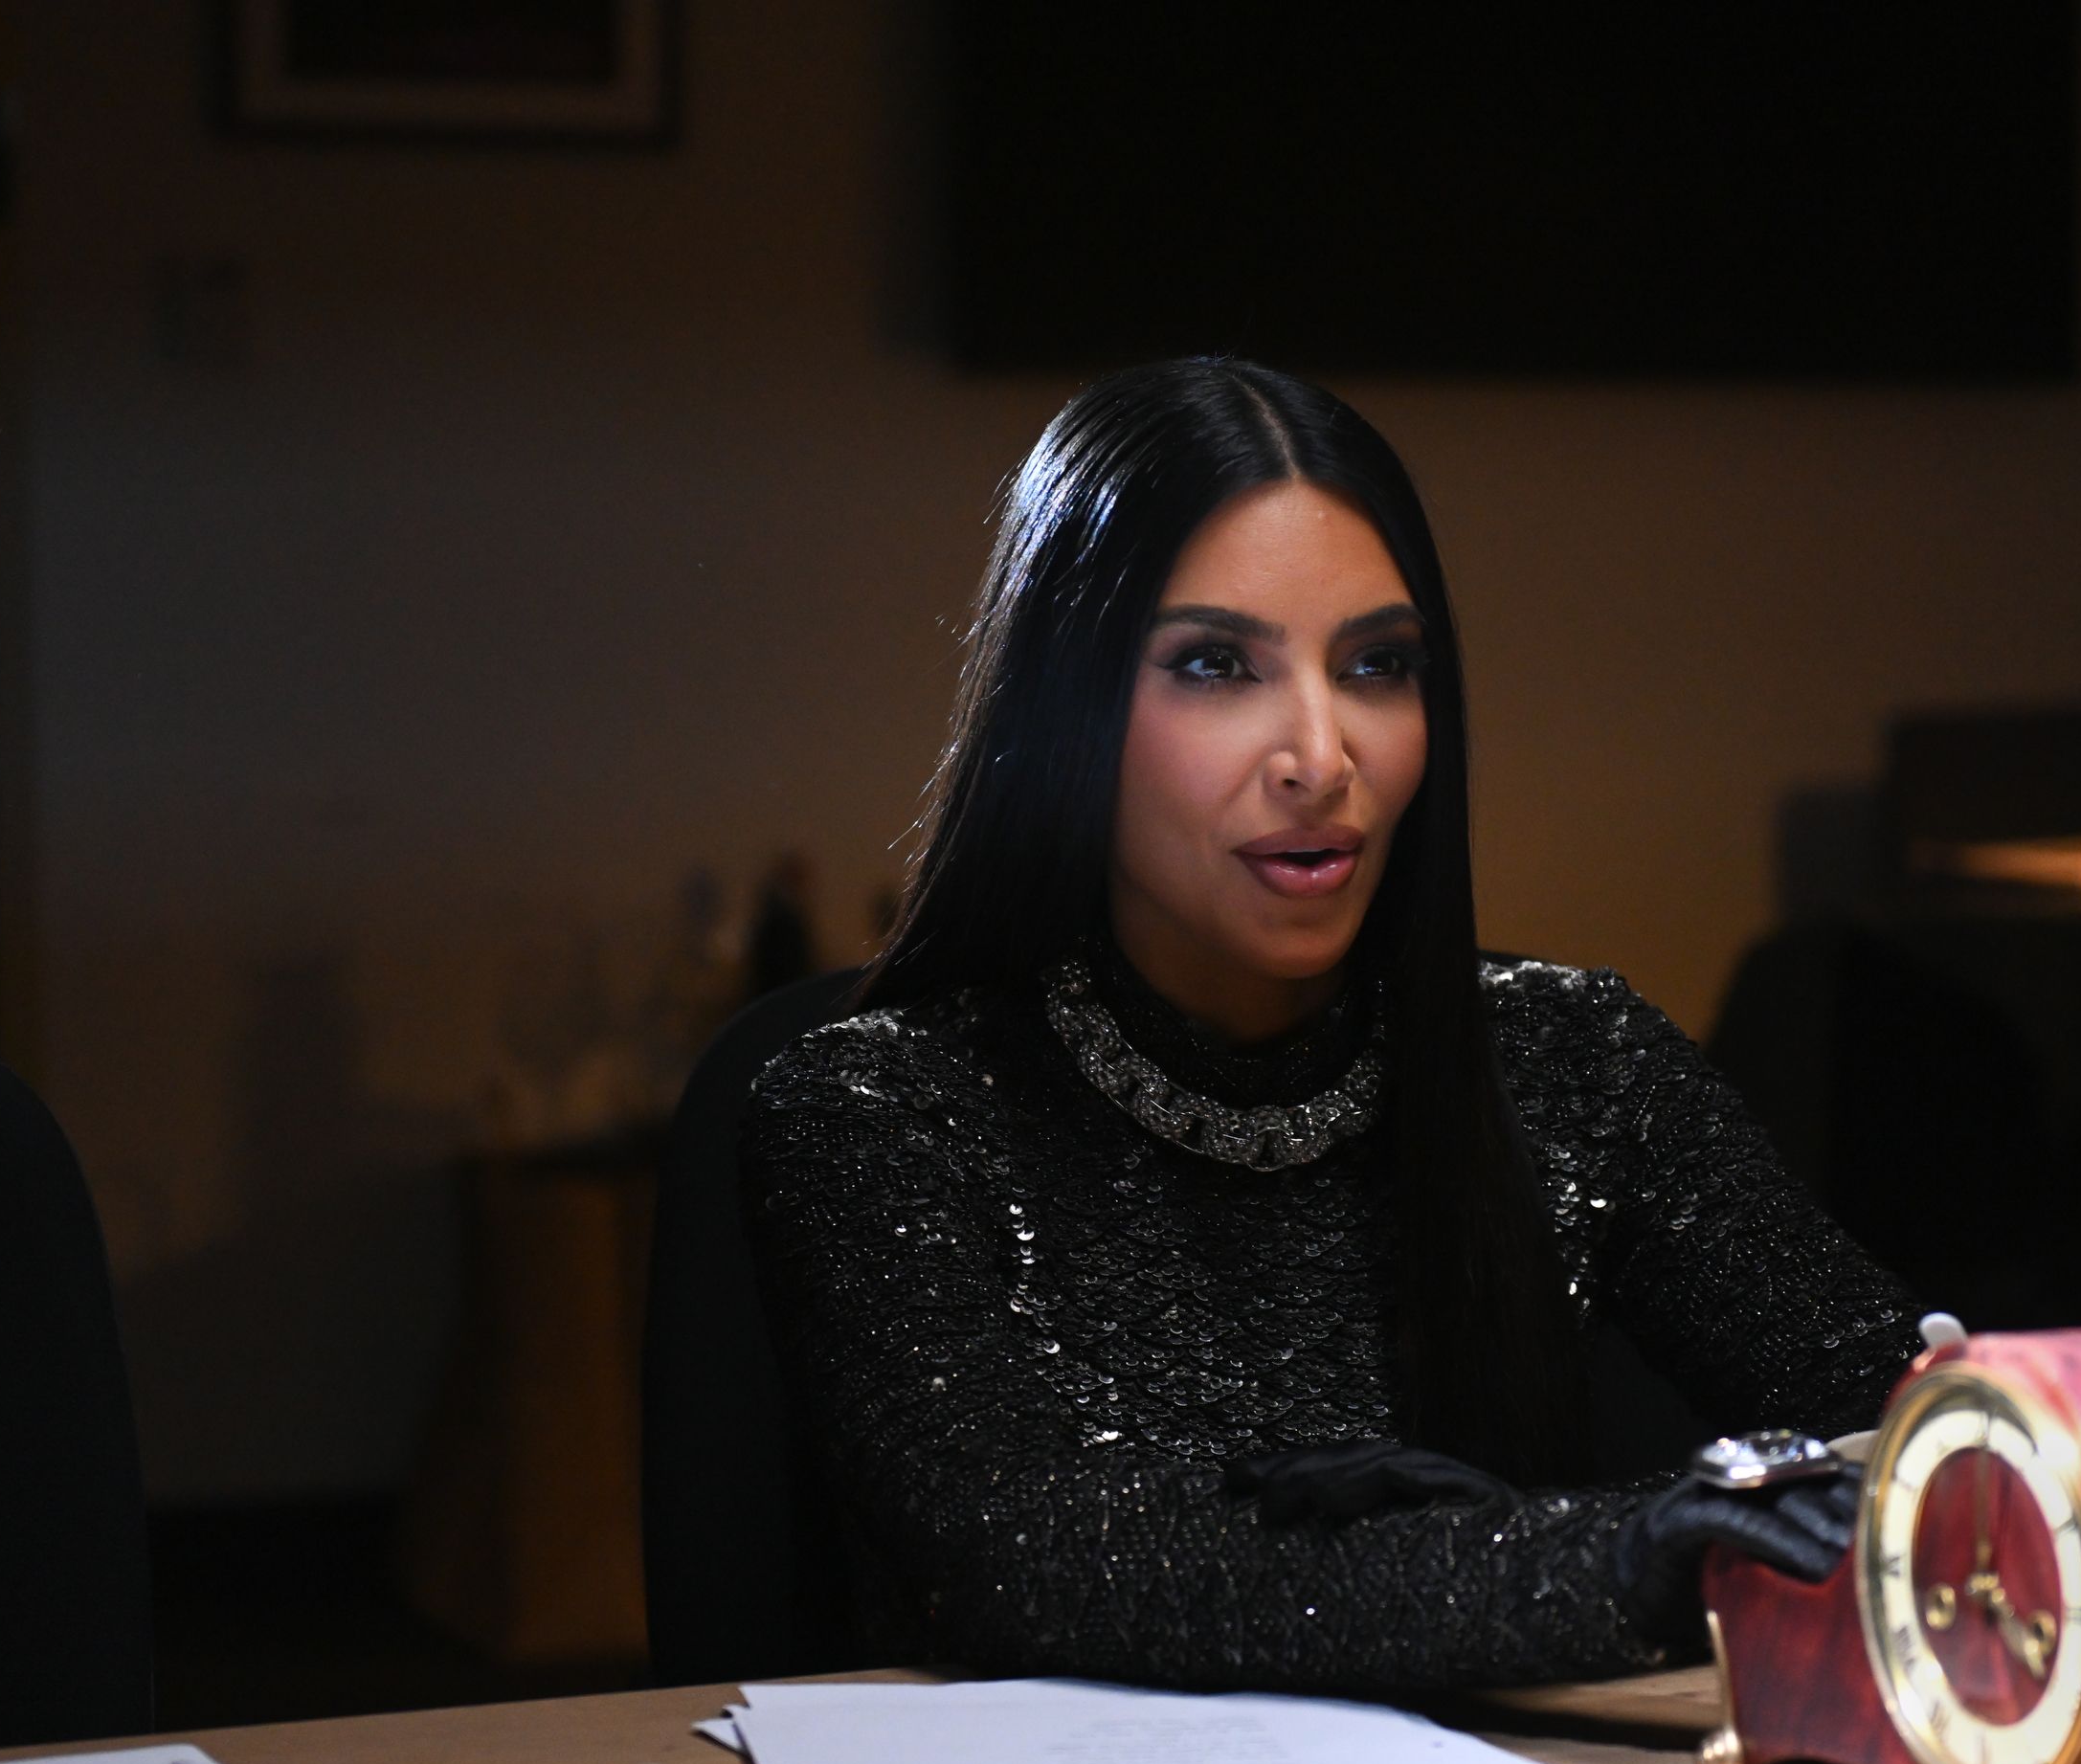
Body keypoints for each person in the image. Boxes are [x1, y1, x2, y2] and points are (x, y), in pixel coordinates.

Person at [742, 359, 1919, 1691]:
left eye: (1376, 666)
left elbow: (1922, 1428)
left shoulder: (1577, 1061)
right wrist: (1622, 1557)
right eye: (1214, 666)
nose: (1321, 756)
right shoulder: (878, 1113)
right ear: (1063, 707)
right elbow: (1039, 1571)